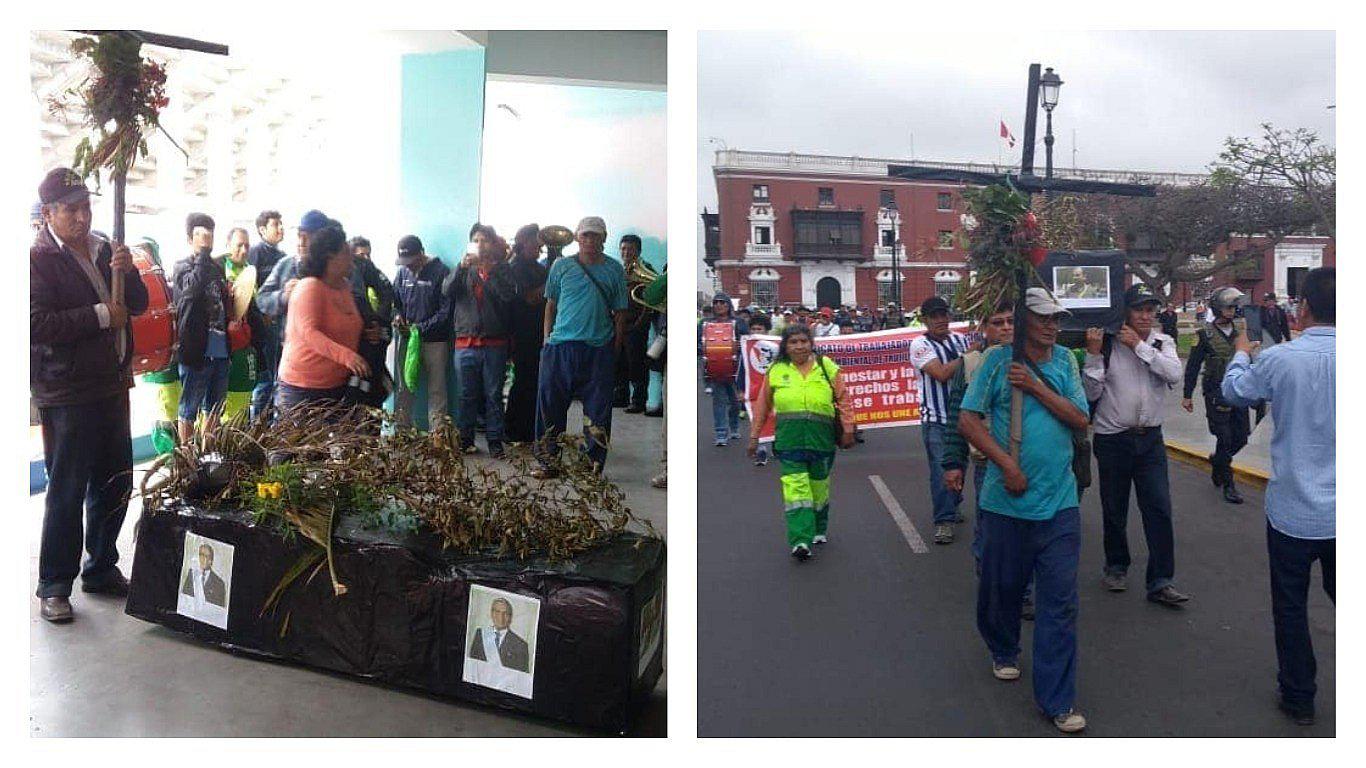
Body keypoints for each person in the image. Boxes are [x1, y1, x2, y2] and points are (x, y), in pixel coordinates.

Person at [957, 287, 1090, 733]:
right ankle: (1002, 646)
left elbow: (1079, 417)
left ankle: (1057, 699)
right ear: (1024, 321)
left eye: (1057, 319)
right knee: (1003, 589)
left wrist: (1034, 386)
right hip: (1005, 502)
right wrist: (1006, 463)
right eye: (1045, 319)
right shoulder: (996, 362)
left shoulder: (1066, 362)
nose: (1054, 326)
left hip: (1060, 502)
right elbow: (968, 420)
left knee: (1060, 603)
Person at [30, 167, 149, 622]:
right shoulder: (37, 260)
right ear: (49, 213)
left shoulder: (104, 250)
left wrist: (128, 271)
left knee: (116, 481)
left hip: (112, 384)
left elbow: (134, 305)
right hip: (69, 389)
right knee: (67, 488)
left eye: (86, 207)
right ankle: (54, 585)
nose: (82, 217)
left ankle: (101, 567)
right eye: (71, 210)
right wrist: (102, 315)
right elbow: (37, 324)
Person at [1221, 267, 1334, 726]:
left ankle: (1299, 696)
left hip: (1292, 510)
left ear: (1302, 308)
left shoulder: (1281, 359)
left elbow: (1235, 392)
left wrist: (1241, 355)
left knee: (1290, 607)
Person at [1083, 284, 1189, 606]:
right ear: (1126, 312)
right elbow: (1090, 393)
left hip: (1150, 439)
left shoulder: (1162, 342)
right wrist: (1092, 353)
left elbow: (1173, 373)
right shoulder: (1109, 345)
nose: (1145, 316)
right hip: (1113, 438)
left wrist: (1140, 347)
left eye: (1150, 310)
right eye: (1139, 310)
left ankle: (1161, 580)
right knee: (1115, 508)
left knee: (1159, 508)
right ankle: (1116, 566)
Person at [747, 323, 855, 559]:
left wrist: (848, 428)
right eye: (793, 342)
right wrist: (754, 437)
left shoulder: (827, 367)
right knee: (796, 492)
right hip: (789, 441)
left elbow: (844, 400)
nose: (799, 346)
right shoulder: (776, 370)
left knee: (819, 489)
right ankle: (800, 540)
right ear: (785, 346)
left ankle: (819, 527)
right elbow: (763, 406)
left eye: (803, 341)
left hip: (822, 440)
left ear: (811, 343)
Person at [532, 216, 628, 477]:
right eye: (585, 235)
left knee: (598, 412)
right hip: (561, 347)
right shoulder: (561, 267)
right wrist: (546, 340)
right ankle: (547, 462)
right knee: (549, 407)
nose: (589, 240)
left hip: (599, 349)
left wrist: (615, 348)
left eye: (595, 235)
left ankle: (592, 466)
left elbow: (620, 312)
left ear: (604, 238)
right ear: (577, 237)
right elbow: (550, 304)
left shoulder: (614, 270)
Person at [942, 299, 1015, 576]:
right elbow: (956, 417)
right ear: (984, 328)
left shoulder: (1035, 358)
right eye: (997, 323)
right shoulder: (970, 363)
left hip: (1029, 460)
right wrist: (952, 463)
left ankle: (1022, 591)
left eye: (1011, 321)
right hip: (988, 462)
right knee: (990, 527)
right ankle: (990, 580)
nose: (1006, 328)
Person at [274, 224, 369, 415]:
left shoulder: (344, 287)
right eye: (345, 252)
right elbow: (309, 333)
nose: (351, 257)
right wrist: (347, 356)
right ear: (330, 257)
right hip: (302, 390)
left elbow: (349, 324)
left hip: (337, 387)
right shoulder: (309, 287)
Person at [908, 295, 974, 544]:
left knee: (961, 464)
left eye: (944, 314)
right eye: (935, 316)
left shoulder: (960, 339)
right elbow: (941, 373)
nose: (941, 320)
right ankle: (944, 520)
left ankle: (953, 504)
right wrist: (969, 356)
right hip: (936, 417)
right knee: (941, 469)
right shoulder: (919, 345)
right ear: (924, 320)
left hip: (963, 415)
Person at [447, 223, 517, 457]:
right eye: (476, 240)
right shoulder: (463, 268)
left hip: (494, 343)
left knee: (494, 395)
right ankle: (465, 439)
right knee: (466, 395)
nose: (480, 244)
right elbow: (446, 290)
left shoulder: (503, 269)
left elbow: (507, 297)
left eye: (485, 240)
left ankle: (495, 441)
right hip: (465, 342)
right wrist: (460, 267)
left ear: (493, 243)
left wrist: (487, 274)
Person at [257, 210, 332, 419]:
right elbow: (261, 299)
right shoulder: (285, 265)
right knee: (287, 421)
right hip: (289, 356)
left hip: (325, 360)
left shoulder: (336, 269)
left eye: (308, 236)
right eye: (299, 235)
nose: (301, 241)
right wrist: (283, 297)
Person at [1182, 286, 1250, 504]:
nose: (1232, 311)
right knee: (1224, 436)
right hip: (1215, 392)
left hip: (1239, 389)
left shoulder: (1242, 330)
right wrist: (1187, 394)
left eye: (1234, 307)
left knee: (1241, 438)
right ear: (1218, 308)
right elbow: (1192, 366)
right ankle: (1228, 484)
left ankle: (1218, 460)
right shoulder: (1204, 334)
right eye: (1228, 307)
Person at [171, 213, 232, 443]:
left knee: (215, 408)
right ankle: (187, 458)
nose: (207, 239)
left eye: (210, 234)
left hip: (221, 350)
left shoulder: (217, 268)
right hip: (196, 350)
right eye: (201, 234)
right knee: (189, 408)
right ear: (190, 239)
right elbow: (191, 292)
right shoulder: (181, 267)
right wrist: (203, 256)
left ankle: (207, 458)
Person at [392, 234, 452, 429]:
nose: (408, 266)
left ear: (422, 254)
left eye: (411, 261)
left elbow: (445, 311)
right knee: (403, 388)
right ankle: (402, 432)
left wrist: (422, 328)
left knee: (437, 389)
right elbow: (396, 302)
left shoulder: (441, 272)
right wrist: (398, 316)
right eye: (404, 262)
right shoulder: (402, 273)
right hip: (407, 340)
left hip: (434, 341)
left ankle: (438, 436)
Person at [215, 227, 267, 422]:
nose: (244, 250)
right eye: (239, 245)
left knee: (243, 405)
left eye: (247, 245)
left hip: (249, 346)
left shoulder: (250, 271)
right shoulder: (219, 269)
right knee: (227, 410)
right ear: (228, 245)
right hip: (228, 350)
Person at [505, 224, 549, 443]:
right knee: (523, 382)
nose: (539, 246)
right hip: (521, 334)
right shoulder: (515, 267)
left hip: (538, 333)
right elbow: (531, 297)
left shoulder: (539, 268)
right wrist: (551, 279)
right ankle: (514, 430)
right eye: (535, 242)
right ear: (522, 244)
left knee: (534, 382)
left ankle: (529, 429)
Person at [347, 235, 397, 408]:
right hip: (350, 345)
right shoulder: (343, 272)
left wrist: (377, 320)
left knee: (372, 385)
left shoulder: (371, 270)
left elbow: (388, 293)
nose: (366, 259)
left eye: (368, 255)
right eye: (361, 255)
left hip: (373, 336)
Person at [247, 209, 286, 421]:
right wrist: (262, 315)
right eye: (275, 224)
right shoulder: (255, 253)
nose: (281, 228)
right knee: (265, 381)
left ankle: (273, 428)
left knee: (279, 380)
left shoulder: (284, 258)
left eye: (281, 224)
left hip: (281, 327)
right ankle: (258, 429)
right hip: (262, 328)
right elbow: (248, 290)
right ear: (262, 230)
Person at [699, 293, 748, 447]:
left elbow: (748, 341)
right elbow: (698, 342)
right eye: (716, 302)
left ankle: (734, 427)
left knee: (734, 402)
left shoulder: (738, 322)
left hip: (736, 367)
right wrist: (704, 349)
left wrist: (741, 344)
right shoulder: (705, 323)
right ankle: (721, 433)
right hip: (715, 368)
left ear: (728, 305)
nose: (719, 305)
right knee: (719, 401)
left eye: (722, 302)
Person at [615, 234, 653, 413]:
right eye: (623, 249)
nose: (626, 252)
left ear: (638, 251)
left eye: (630, 249)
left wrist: (639, 323)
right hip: (618, 323)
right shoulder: (618, 270)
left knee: (636, 362)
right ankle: (621, 396)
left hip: (636, 324)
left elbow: (650, 300)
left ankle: (638, 400)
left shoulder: (646, 270)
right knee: (619, 359)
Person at [468, 598, 531, 672]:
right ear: (491, 613)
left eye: (505, 613)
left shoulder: (521, 645)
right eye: (497, 612)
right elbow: (472, 666)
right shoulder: (480, 635)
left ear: (510, 617)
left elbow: (521, 678)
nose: (501, 617)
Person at [746, 314, 773, 466]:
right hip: (755, 389)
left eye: (760, 329)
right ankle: (762, 449)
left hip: (774, 387)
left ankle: (774, 444)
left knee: (775, 417)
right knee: (758, 418)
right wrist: (741, 388)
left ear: (767, 331)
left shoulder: (775, 345)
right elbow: (742, 369)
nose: (756, 331)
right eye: (753, 329)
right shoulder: (747, 346)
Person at [180, 542, 227, 608]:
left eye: (205, 555)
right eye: (200, 555)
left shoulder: (219, 583)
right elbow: (184, 597)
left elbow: (219, 611)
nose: (201, 558)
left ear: (210, 560)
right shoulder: (191, 573)